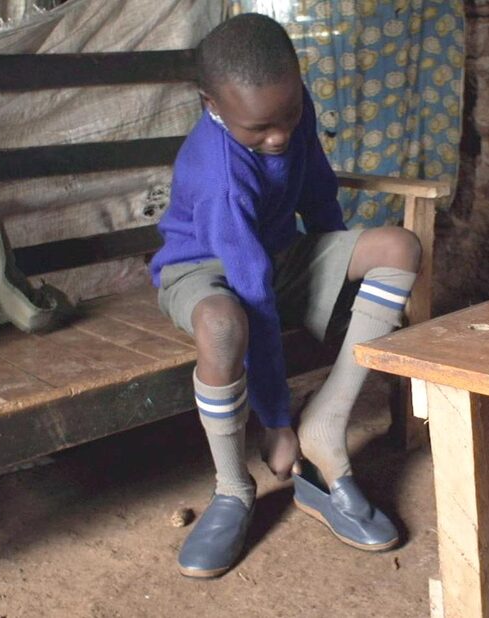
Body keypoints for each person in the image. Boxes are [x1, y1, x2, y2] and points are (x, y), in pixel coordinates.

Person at [150, 13, 420, 578]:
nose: (278, 136)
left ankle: (324, 429)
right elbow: (254, 296)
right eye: (259, 129)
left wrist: (339, 271)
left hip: (276, 254)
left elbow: (318, 195)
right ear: (212, 105)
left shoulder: (290, 112)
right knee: (226, 326)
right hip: (206, 271)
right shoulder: (220, 177)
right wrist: (274, 423)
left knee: (398, 246)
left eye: (289, 115)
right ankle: (232, 490)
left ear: (298, 86)